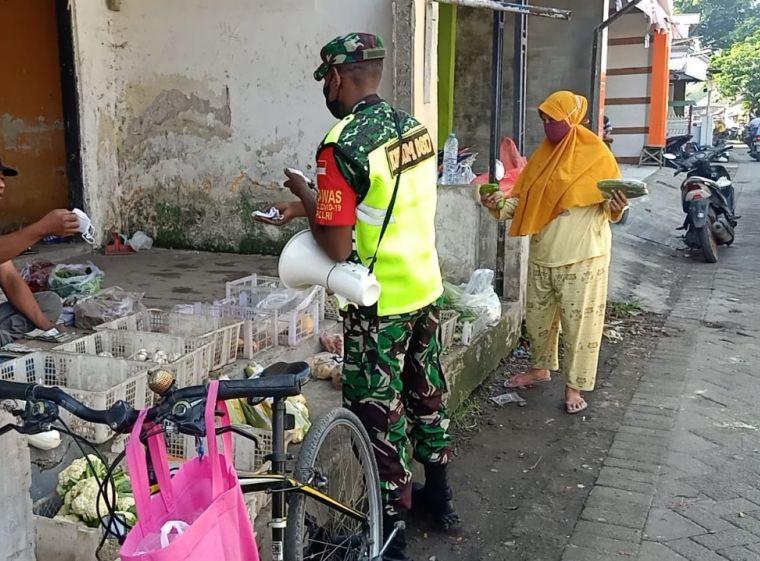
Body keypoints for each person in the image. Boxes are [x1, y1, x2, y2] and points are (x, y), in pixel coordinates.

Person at [255, 33, 456, 561]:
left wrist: (304, 191)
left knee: (377, 414)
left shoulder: (341, 145)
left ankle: (390, 539)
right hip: (424, 286)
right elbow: (380, 204)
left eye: (325, 80)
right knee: (426, 391)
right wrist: (307, 207)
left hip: (377, 302)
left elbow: (337, 244)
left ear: (336, 77)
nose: (326, 89)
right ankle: (440, 500)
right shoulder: (414, 130)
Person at [480, 91, 629, 415]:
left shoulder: (597, 155)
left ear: (571, 118)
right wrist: (497, 205)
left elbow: (609, 207)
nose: (548, 125)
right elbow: (523, 201)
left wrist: (618, 206)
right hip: (543, 254)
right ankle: (540, 368)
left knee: (580, 327)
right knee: (539, 321)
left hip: (583, 258)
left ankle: (575, 385)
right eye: (544, 119)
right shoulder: (543, 156)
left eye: (553, 119)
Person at [0, 146, 80, 370]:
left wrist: (46, 326)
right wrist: (41, 228)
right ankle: (8, 343)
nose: (0, 184)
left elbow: (9, 277)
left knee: (49, 302)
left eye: (1, 178)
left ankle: (4, 341)